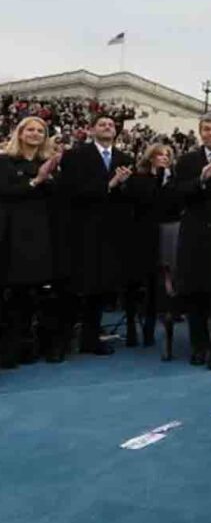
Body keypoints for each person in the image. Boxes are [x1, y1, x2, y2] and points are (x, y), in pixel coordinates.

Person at [58, 114, 134, 356]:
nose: (108, 127)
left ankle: (90, 339)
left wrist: (123, 185)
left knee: (99, 287)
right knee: (75, 287)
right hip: (81, 230)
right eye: (102, 124)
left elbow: (129, 198)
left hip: (111, 233)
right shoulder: (75, 156)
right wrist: (109, 185)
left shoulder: (125, 159)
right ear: (91, 130)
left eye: (111, 125)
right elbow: (71, 191)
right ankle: (62, 339)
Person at [0, 118, 64, 366]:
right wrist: (36, 180)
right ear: (20, 133)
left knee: (34, 295)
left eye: (40, 130)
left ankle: (32, 346)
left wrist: (50, 178)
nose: (36, 133)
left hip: (42, 236)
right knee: (12, 296)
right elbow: (5, 191)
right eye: (31, 129)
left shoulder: (47, 164)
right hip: (12, 235)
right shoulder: (5, 161)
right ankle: (9, 350)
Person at [174, 113, 211, 370]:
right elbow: (176, 193)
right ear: (200, 132)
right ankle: (198, 347)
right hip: (194, 233)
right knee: (194, 292)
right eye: (206, 129)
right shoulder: (187, 160)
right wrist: (201, 178)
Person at [126, 143, 176, 348]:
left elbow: (173, 206)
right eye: (159, 154)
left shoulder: (172, 181)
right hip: (139, 235)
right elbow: (140, 202)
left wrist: (165, 181)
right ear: (150, 157)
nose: (163, 158)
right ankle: (131, 326)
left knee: (156, 284)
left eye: (167, 155)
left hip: (163, 235)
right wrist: (157, 180)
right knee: (135, 283)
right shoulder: (138, 179)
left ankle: (149, 328)